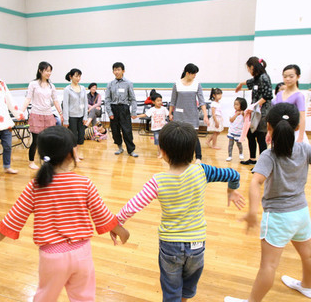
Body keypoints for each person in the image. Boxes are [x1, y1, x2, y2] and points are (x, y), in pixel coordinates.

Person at [0, 125, 130, 302]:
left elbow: (13, 219)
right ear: (70, 153)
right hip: (82, 254)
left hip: (52, 257)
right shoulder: (84, 183)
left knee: (45, 297)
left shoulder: (35, 186)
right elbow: (102, 214)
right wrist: (121, 231)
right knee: (84, 297)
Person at [115, 121, 245, 302]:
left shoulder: (157, 181)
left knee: (171, 290)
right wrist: (232, 190)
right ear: (192, 150)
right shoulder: (202, 170)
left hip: (171, 245)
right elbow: (234, 175)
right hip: (197, 244)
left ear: (163, 152)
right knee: (187, 287)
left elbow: (133, 206)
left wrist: (116, 223)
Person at [225, 103, 311, 302]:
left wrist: (252, 212)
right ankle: (307, 285)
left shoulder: (268, 156)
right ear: (297, 128)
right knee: (307, 255)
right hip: (301, 214)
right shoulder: (304, 149)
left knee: (269, 266)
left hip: (278, 218)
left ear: (269, 127)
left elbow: (255, 183)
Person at [21, 61, 63, 170]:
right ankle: (31, 162)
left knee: (47, 140)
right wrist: (21, 111)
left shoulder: (51, 86)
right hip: (36, 114)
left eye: (50, 71)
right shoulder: (33, 84)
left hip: (48, 115)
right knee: (36, 140)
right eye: (46, 71)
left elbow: (55, 100)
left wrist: (60, 113)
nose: (49, 73)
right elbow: (28, 99)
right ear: (40, 71)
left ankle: (46, 160)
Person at [236, 57, 273, 166]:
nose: (248, 70)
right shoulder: (257, 78)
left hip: (262, 113)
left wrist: (254, 105)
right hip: (254, 112)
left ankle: (263, 163)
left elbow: (267, 96)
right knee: (250, 134)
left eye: (248, 68)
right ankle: (252, 159)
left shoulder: (264, 77)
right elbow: (249, 82)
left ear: (252, 67)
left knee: (261, 137)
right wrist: (240, 84)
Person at [169, 63, 209, 164]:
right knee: (178, 136)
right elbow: (173, 101)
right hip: (179, 114)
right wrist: (170, 113)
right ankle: (179, 157)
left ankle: (198, 157)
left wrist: (205, 115)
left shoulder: (197, 84)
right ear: (187, 73)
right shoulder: (177, 84)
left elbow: (202, 101)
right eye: (193, 74)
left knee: (193, 136)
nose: (195, 76)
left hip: (192, 114)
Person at [0, 59, 24, 180]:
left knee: (8, 146)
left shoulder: (1, 83)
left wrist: (18, 113)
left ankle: (7, 166)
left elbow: (9, 99)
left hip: (5, 121)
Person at [105, 62, 138, 157]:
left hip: (124, 108)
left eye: (118, 69)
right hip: (113, 108)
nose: (116, 72)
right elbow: (107, 99)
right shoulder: (110, 84)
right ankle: (119, 147)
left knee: (127, 130)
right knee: (115, 131)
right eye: (115, 70)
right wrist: (109, 112)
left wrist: (133, 111)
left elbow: (133, 99)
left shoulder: (128, 83)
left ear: (123, 71)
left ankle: (131, 150)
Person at [272, 64, 308, 143]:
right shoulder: (279, 94)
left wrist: (300, 137)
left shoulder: (299, 95)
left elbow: (302, 117)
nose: (287, 79)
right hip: (279, 131)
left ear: (298, 77)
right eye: (285, 77)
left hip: (294, 132)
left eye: (291, 76)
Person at [63, 68, 88, 162]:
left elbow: (85, 103)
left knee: (81, 136)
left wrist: (85, 116)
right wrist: (66, 120)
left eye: (79, 76)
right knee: (74, 137)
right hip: (72, 116)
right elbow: (65, 105)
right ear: (71, 77)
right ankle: (75, 155)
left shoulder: (83, 88)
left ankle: (75, 153)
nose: (78, 78)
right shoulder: (67, 89)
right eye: (76, 76)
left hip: (81, 116)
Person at [137, 92, 169, 158]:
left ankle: (163, 152)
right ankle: (160, 152)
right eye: (158, 101)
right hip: (155, 128)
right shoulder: (152, 110)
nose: (160, 102)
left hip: (163, 128)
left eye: (160, 100)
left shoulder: (164, 109)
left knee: (163, 141)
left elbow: (169, 115)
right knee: (157, 141)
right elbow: (145, 115)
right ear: (153, 102)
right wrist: (136, 116)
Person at [226, 97, 247, 161]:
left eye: (237, 104)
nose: (235, 106)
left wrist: (243, 114)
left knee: (239, 144)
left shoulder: (244, 113)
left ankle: (241, 153)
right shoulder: (233, 112)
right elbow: (231, 120)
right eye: (234, 104)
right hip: (232, 131)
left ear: (242, 105)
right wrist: (236, 115)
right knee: (230, 144)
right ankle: (229, 156)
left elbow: (246, 120)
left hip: (239, 132)